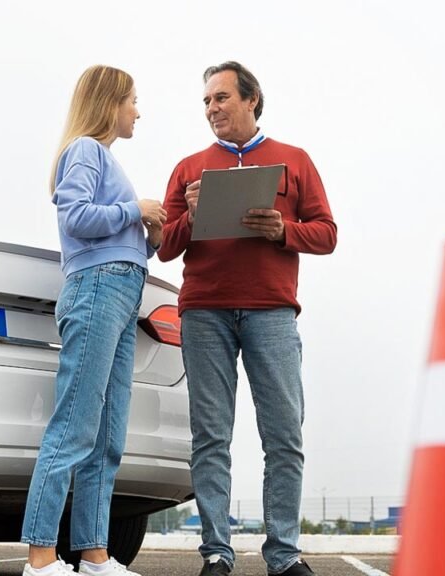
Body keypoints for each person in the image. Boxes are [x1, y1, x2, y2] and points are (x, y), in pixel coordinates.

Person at [157, 61, 336, 576]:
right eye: (207, 101)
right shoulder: (189, 168)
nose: (212, 108)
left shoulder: (294, 161)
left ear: (251, 100)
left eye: (221, 98)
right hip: (204, 313)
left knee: (284, 433)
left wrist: (284, 229)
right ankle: (216, 551)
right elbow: (164, 247)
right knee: (210, 435)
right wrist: (191, 215)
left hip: (272, 312)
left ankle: (284, 554)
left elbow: (327, 232)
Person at [21, 64, 166, 576]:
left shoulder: (104, 159)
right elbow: (75, 216)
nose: (138, 111)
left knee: (107, 435)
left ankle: (94, 553)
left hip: (123, 292)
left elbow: (113, 228)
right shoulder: (85, 149)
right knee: (76, 425)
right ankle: (40, 557)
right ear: (109, 102)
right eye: (132, 100)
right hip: (98, 288)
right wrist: (135, 209)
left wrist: (152, 230)